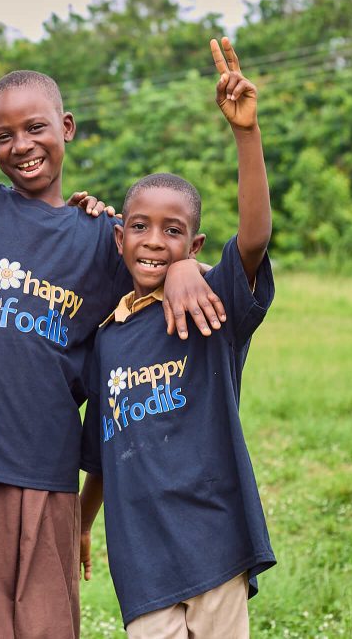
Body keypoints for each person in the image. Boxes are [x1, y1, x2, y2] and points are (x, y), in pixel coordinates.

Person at [0, 0, 228, 638]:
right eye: (3, 135)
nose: (22, 144)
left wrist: (180, 268)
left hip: (42, 476)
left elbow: (162, 259)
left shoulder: (101, 237)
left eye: (36, 127)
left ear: (67, 128)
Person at [78, 37, 275, 638]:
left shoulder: (212, 307)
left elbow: (253, 239)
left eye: (173, 231)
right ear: (120, 237)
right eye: (140, 226)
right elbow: (106, 450)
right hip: (142, 561)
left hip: (215, 543)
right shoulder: (108, 338)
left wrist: (246, 133)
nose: (154, 241)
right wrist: (81, 522)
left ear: (194, 245)